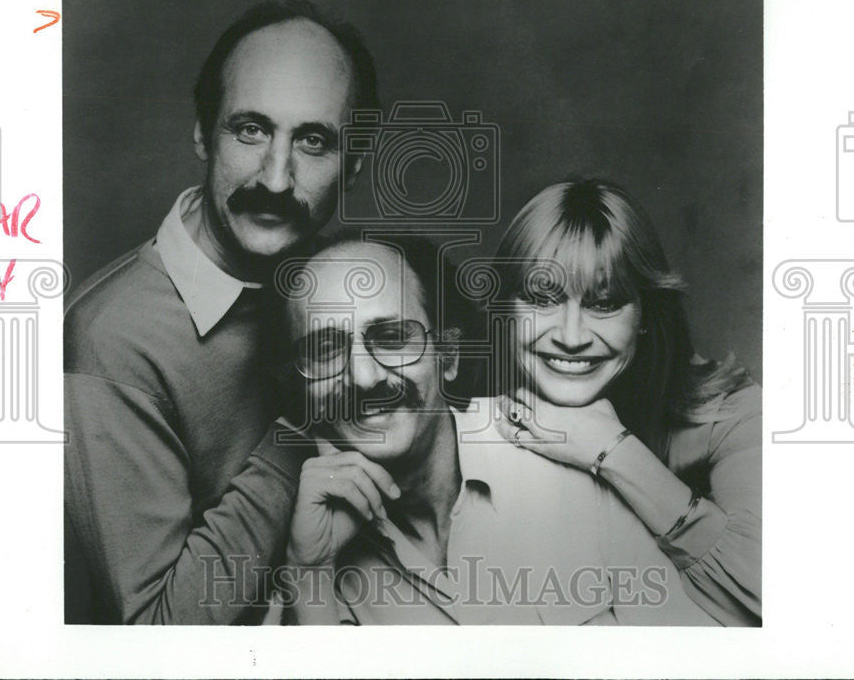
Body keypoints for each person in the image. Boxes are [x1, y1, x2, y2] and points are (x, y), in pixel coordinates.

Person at [63, 0, 377, 624]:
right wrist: (303, 427)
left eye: (313, 141)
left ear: (356, 163)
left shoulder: (347, 291)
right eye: (251, 130)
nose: (277, 179)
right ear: (204, 132)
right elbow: (157, 635)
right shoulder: (111, 343)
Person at [276, 235, 719, 625]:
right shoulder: (308, 542)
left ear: (447, 357)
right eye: (324, 350)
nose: (365, 377)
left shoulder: (566, 456)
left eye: (392, 338)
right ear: (300, 385)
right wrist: (310, 571)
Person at [488, 178, 762, 626]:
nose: (571, 337)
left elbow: (781, 604)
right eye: (542, 299)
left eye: (605, 303)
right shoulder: (475, 407)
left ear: (646, 316)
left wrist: (615, 450)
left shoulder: (732, 412)